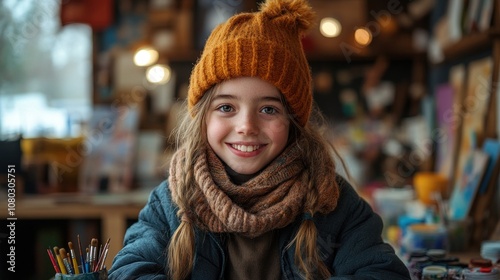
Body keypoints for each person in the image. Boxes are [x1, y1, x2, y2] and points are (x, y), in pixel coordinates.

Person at [108, 0, 411, 279]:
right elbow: (129, 271)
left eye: (268, 109)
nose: (246, 126)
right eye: (226, 107)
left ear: (293, 122)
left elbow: (383, 273)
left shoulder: (334, 203)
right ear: (203, 118)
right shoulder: (169, 203)